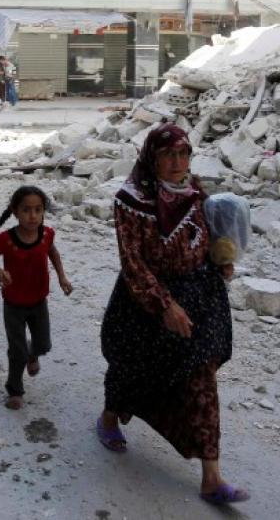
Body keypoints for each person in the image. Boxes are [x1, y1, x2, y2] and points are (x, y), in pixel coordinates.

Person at [98, 122, 249, 507]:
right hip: (145, 306)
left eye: (183, 154)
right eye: (169, 155)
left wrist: (222, 261)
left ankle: (211, 476)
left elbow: (209, 235)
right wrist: (164, 305)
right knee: (134, 369)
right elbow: (132, 263)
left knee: (202, 378)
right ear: (153, 157)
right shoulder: (131, 201)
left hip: (200, 299)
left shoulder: (195, 191)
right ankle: (110, 417)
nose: (178, 162)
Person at [0, 186, 73, 410]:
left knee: (43, 344)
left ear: (43, 211)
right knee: (17, 351)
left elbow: (52, 252)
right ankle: (15, 390)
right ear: (15, 212)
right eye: (26, 210)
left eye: (38, 209)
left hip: (38, 301)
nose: (32, 216)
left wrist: (62, 277)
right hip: (13, 304)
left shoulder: (47, 234)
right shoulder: (5, 239)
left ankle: (33, 355)